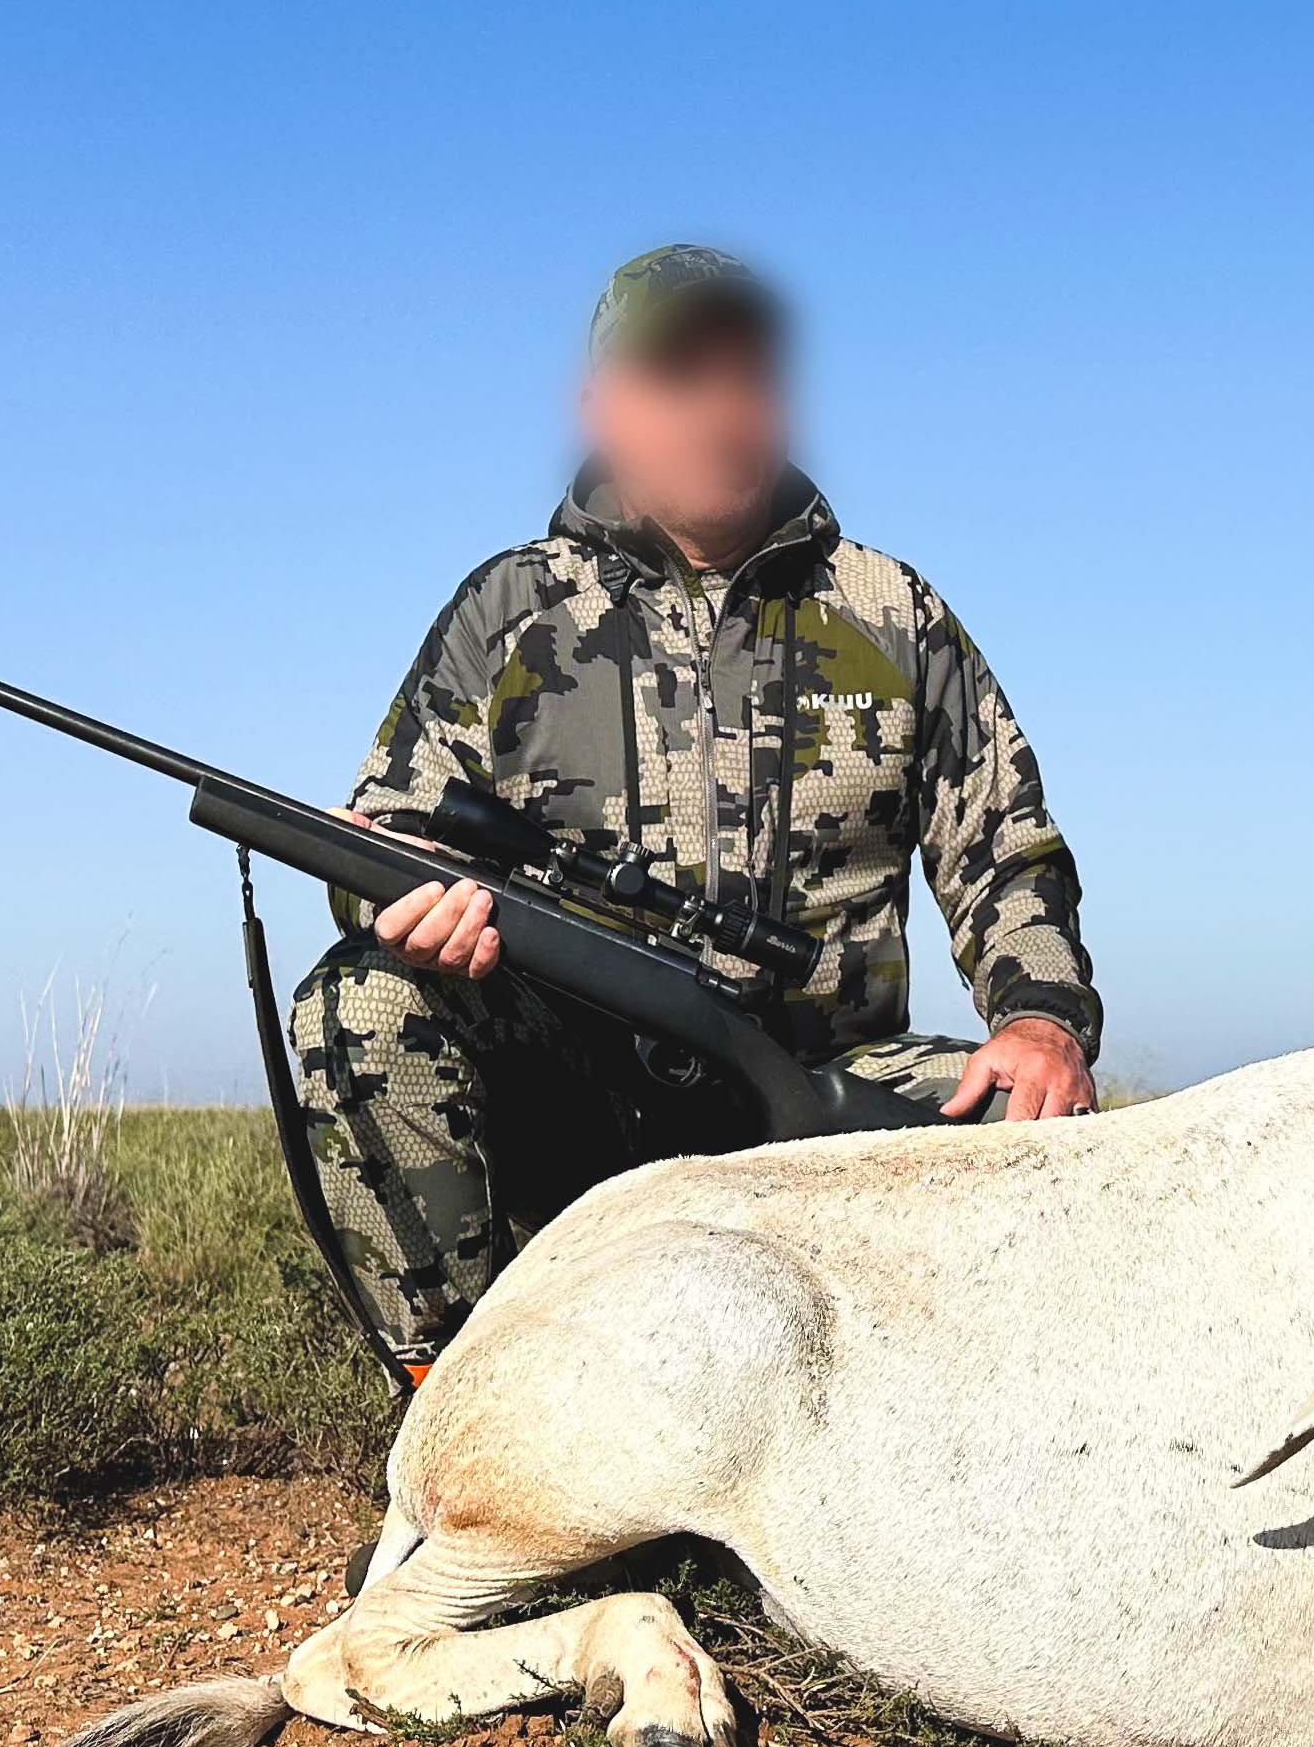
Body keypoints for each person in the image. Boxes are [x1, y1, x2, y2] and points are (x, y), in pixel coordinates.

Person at [287, 245, 1102, 1370]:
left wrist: (1041, 1022)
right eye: (680, 376)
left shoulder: (893, 610)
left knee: (1052, 1130)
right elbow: (383, 836)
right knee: (360, 1006)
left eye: (749, 374)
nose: (724, 408)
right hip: (575, 1096)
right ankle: (468, 1426)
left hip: (828, 1095)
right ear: (601, 404)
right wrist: (404, 906)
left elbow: (1007, 852)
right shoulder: (507, 609)